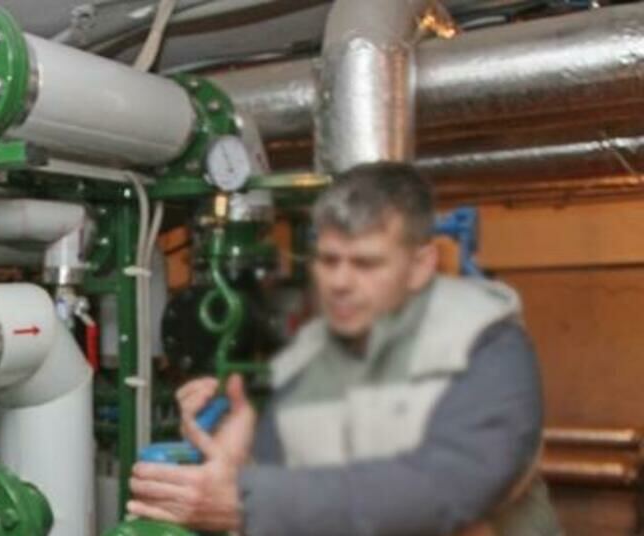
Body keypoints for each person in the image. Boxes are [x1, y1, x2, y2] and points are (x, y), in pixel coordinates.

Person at [127, 162, 561, 535]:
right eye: (329, 260)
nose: (340, 283)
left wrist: (251, 501)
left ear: (420, 265)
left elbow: (446, 488)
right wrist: (235, 443)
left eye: (366, 263)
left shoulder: (487, 346)